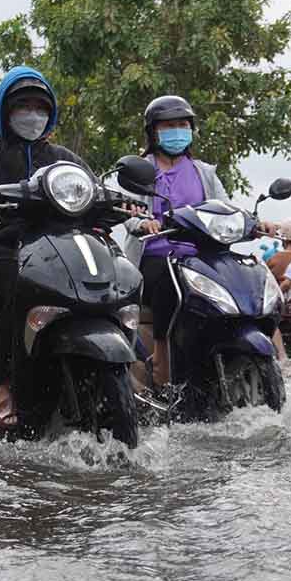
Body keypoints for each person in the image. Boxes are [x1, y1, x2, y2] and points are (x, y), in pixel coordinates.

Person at [0, 66, 91, 429]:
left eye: (40, 107)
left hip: (58, 254)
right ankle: (6, 384)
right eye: (23, 107)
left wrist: (123, 203)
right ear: (5, 112)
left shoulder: (63, 158)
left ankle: (131, 376)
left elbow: (93, 188)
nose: (33, 115)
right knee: (21, 290)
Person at [120, 94, 278, 392]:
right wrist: (143, 222)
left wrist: (255, 225)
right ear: (153, 131)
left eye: (183, 124)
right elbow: (130, 212)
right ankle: (162, 362)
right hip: (157, 254)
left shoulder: (204, 172)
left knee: (247, 276)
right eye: (169, 125)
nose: (177, 131)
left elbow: (226, 208)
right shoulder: (141, 170)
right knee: (170, 282)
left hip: (201, 255)